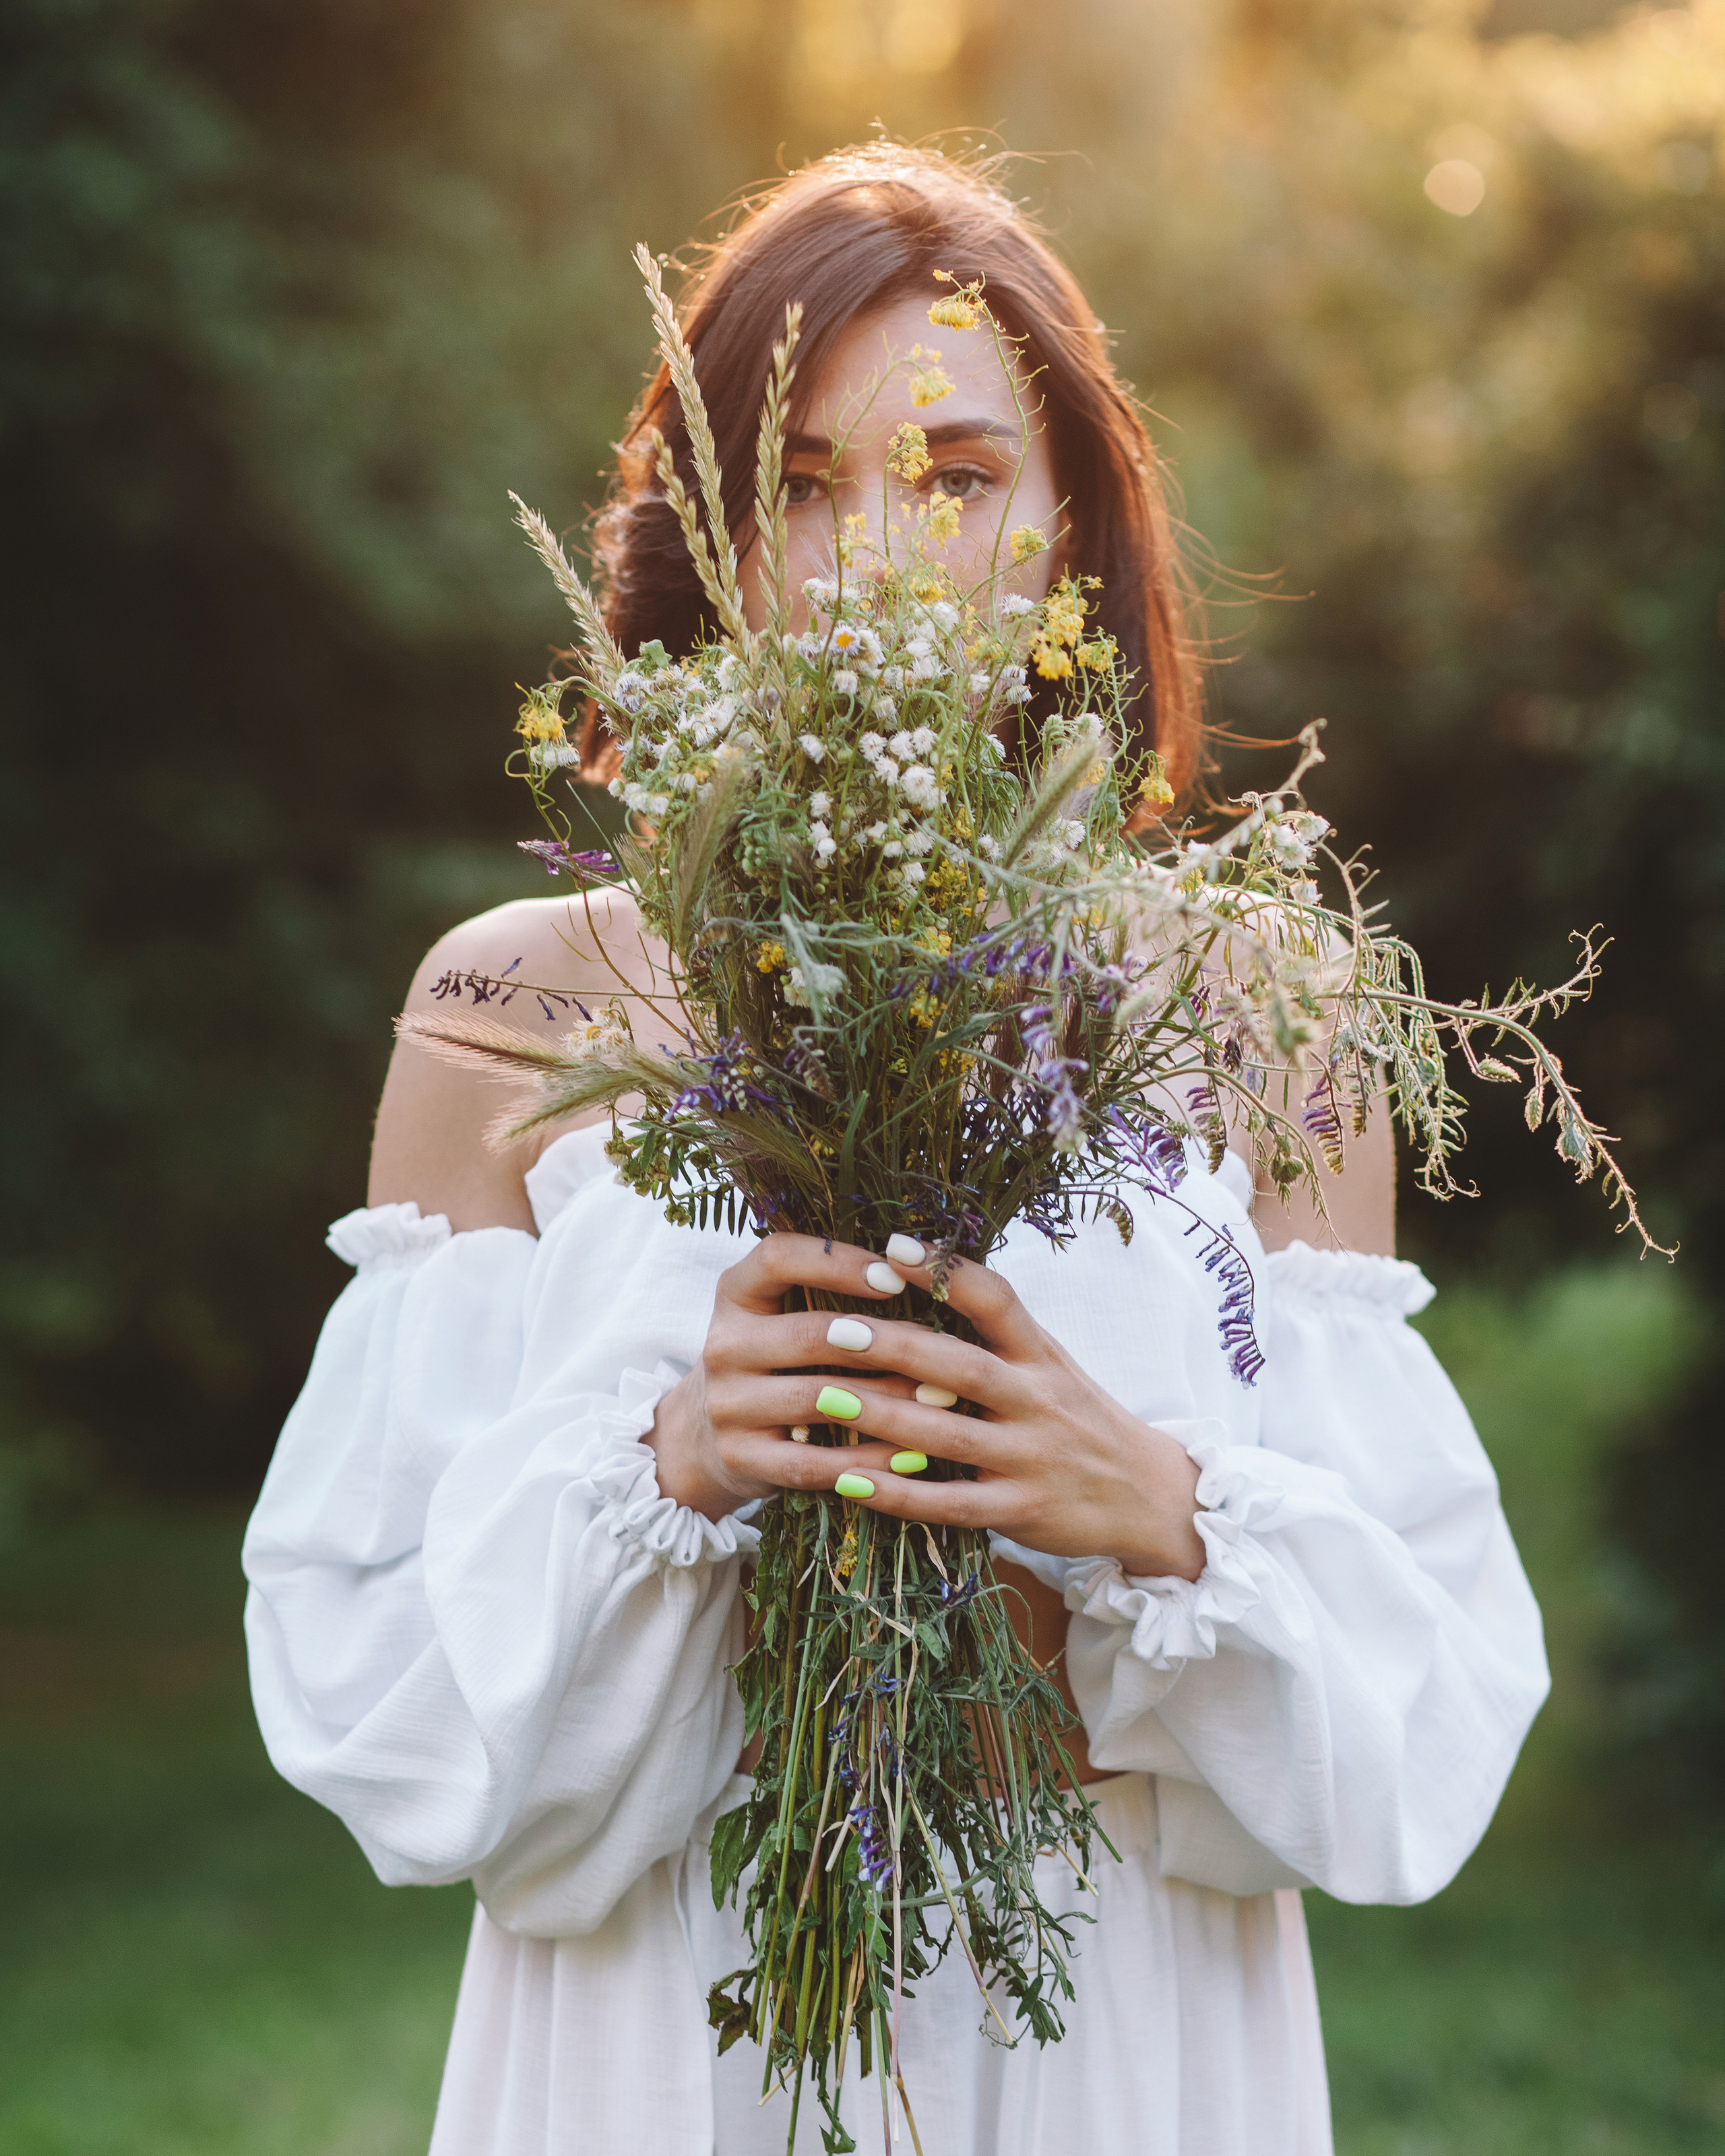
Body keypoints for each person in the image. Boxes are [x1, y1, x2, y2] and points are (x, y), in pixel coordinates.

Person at [243, 144, 1549, 2156]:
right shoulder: (514, 1006)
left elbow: (1417, 1757)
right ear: (714, 536)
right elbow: (371, 1710)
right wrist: (667, 1467)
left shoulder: (1258, 1012)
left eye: (955, 476)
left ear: (1067, 538)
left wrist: (1157, 1509)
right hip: (666, 2037)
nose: (876, 560)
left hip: (1117, 2029)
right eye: (807, 485)